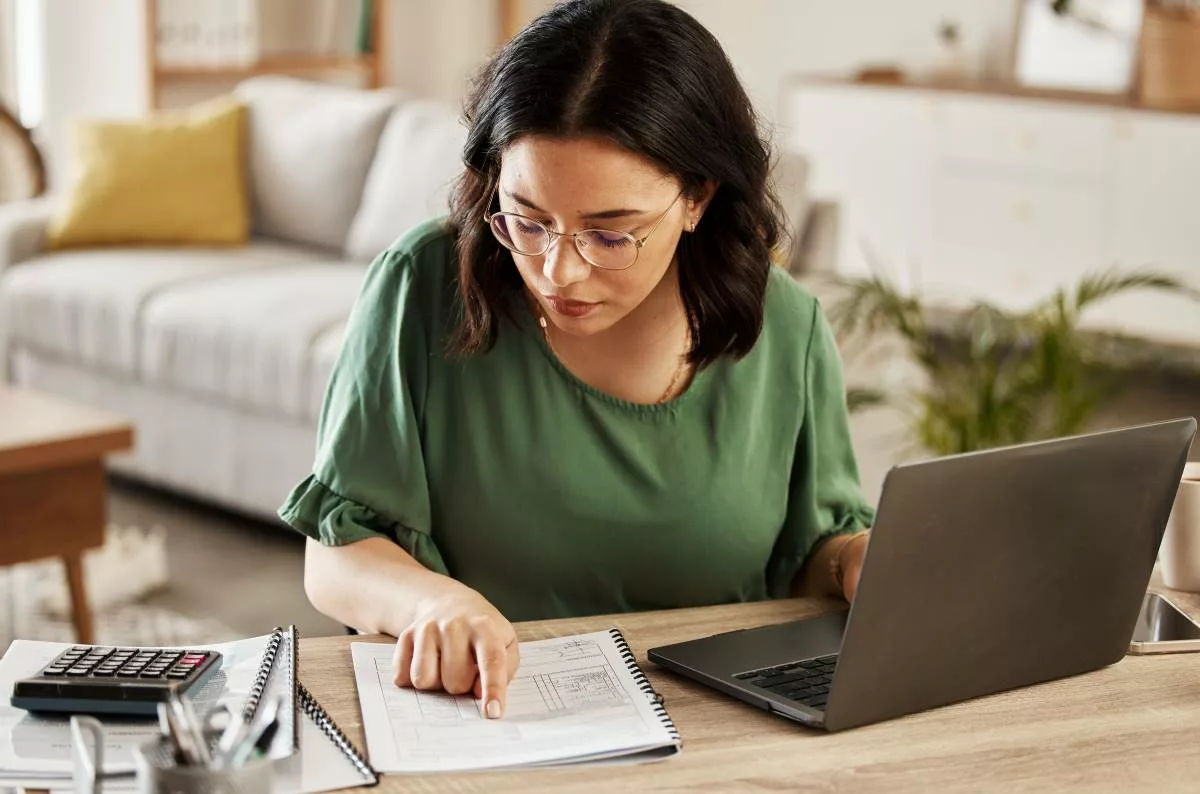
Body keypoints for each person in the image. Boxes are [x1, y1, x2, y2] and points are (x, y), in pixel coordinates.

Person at [278, 0, 875, 721]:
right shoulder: (421, 288)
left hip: (727, 733)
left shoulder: (786, 326)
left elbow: (811, 559)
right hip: (489, 720)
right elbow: (337, 553)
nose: (558, 271)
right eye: (528, 220)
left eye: (611, 234)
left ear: (698, 198)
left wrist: (855, 563)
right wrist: (433, 602)